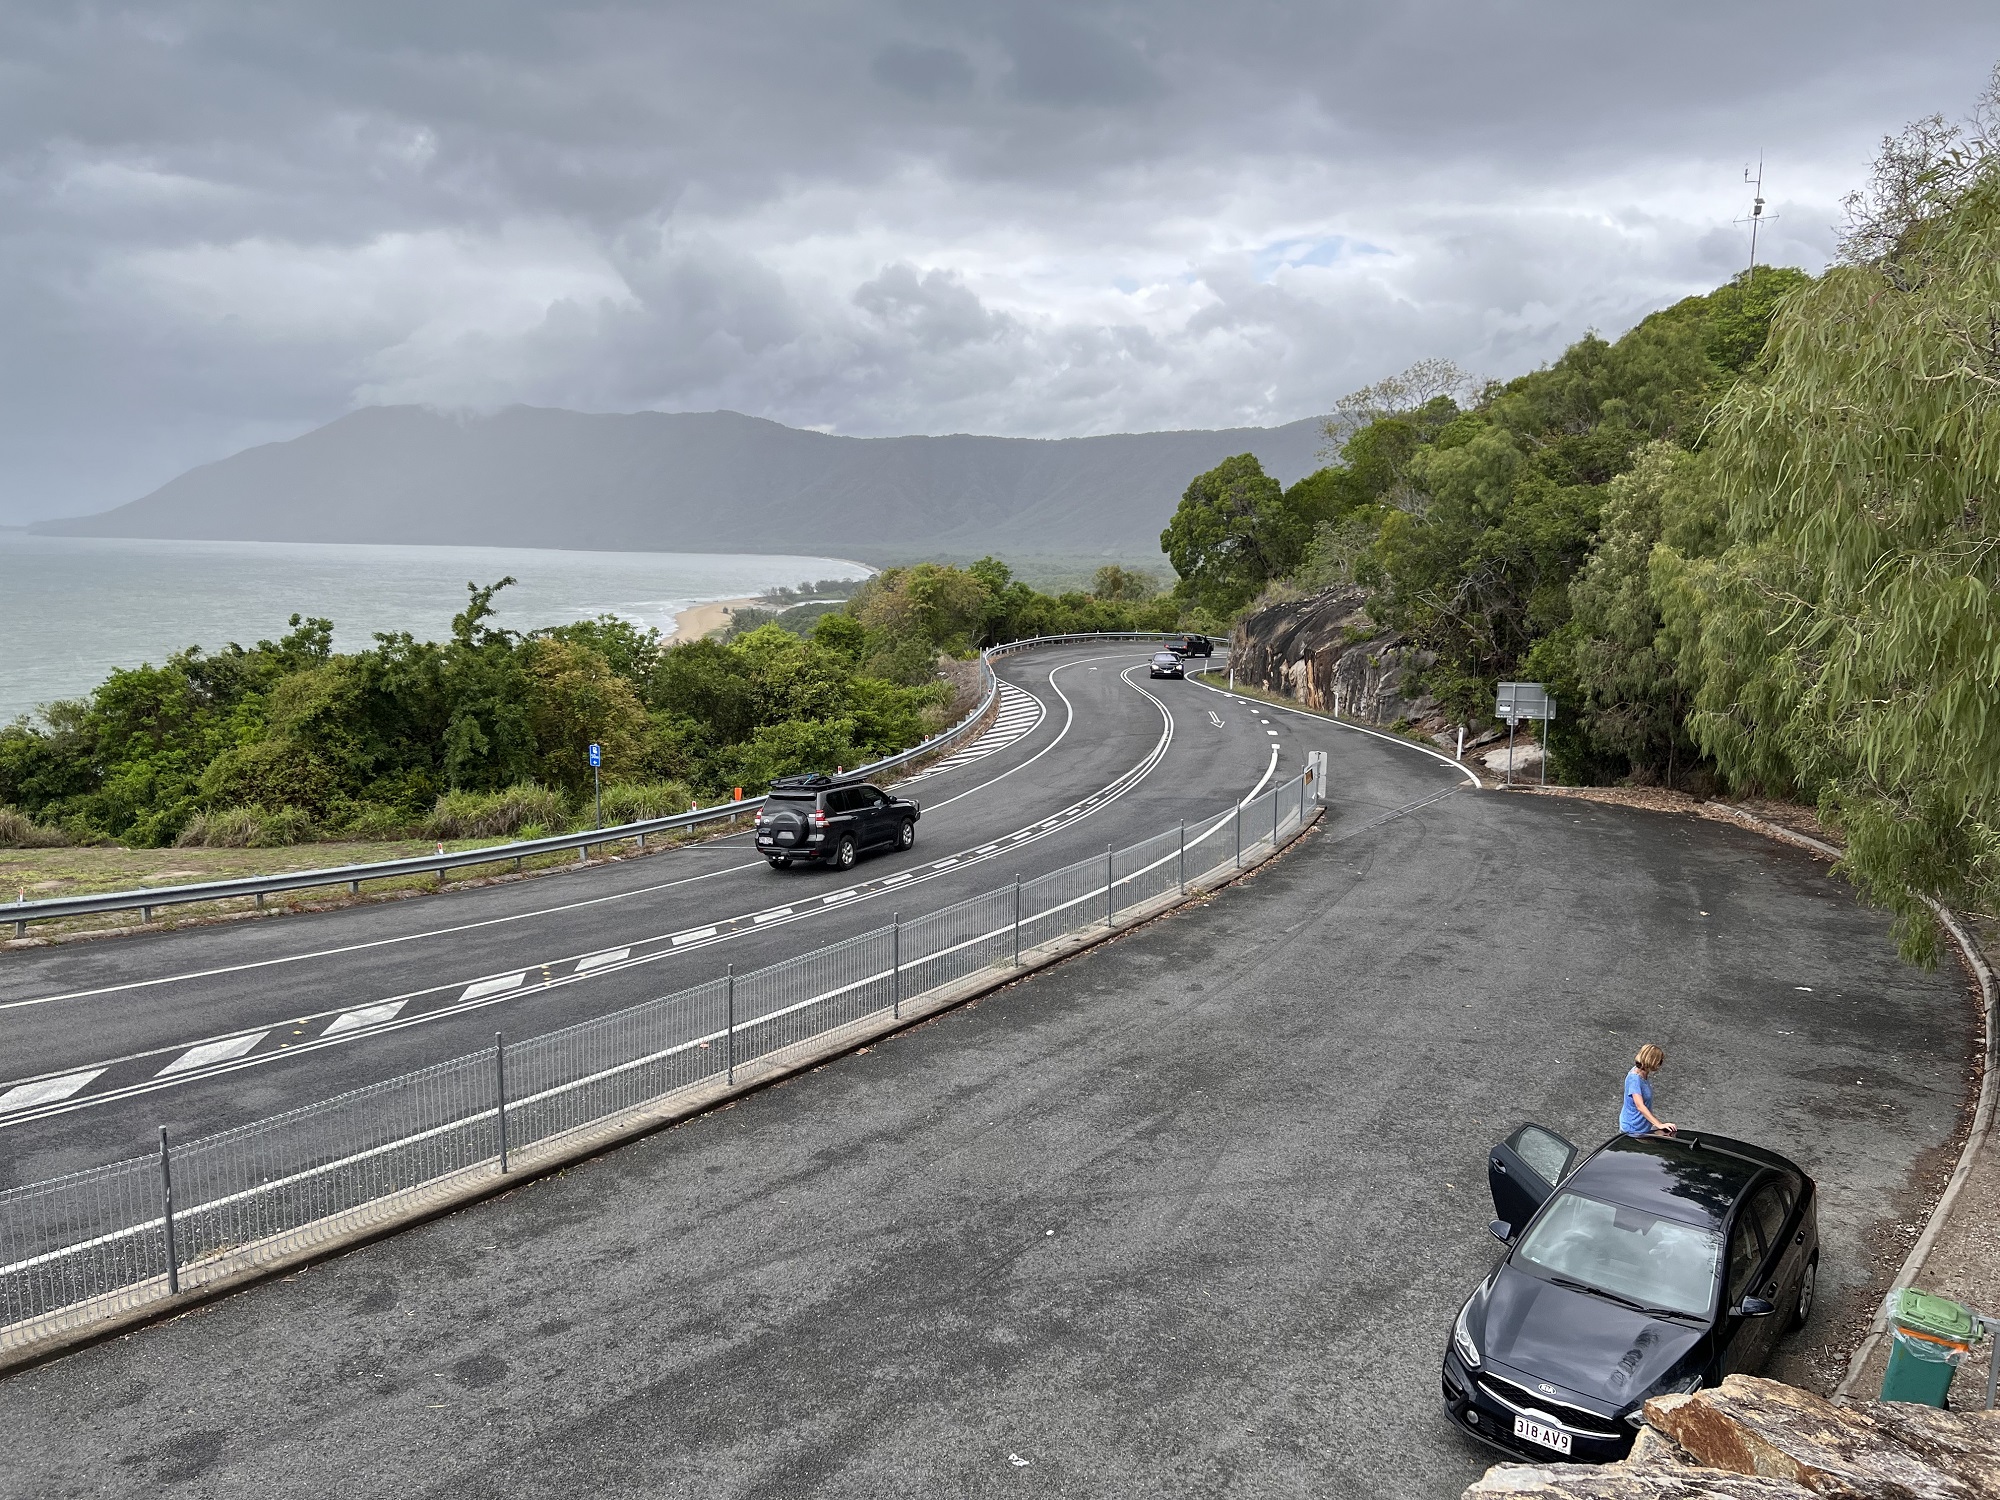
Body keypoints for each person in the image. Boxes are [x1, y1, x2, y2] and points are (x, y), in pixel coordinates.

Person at [1620, 1044, 1676, 1137]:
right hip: (1633, 1129)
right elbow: (1640, 1106)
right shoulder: (1635, 1079)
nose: (1660, 1064)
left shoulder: (1642, 1073)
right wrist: (1659, 1124)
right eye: (1659, 1061)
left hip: (1642, 1127)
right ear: (1652, 1061)